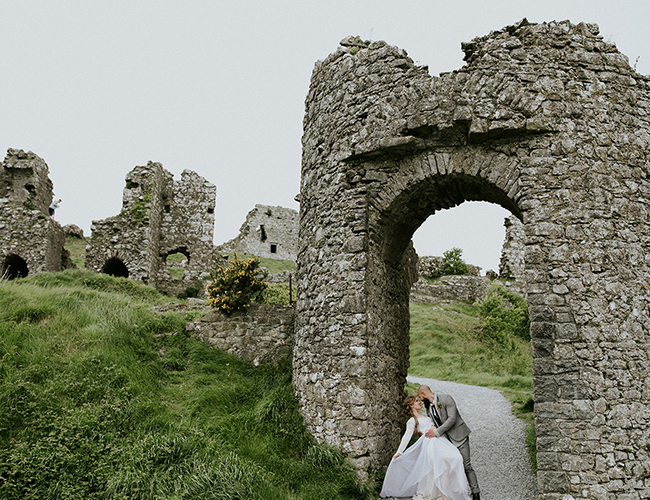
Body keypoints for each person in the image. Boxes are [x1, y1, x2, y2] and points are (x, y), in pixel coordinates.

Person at [380, 395, 471, 500]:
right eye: (416, 401)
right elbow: (406, 437)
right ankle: (443, 495)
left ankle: (452, 490)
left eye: (418, 400)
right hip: (429, 445)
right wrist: (399, 452)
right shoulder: (412, 421)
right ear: (411, 406)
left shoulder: (427, 416)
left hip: (439, 442)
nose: (419, 402)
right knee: (440, 466)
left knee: (455, 458)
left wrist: (434, 428)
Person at [417, 385, 480, 500]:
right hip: (446, 441)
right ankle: (456, 492)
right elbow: (432, 422)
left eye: (420, 397)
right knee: (450, 467)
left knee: (466, 466)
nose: (420, 400)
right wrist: (428, 431)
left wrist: (436, 432)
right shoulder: (428, 407)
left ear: (424, 394)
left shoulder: (446, 399)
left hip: (459, 436)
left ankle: (476, 493)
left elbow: (452, 419)